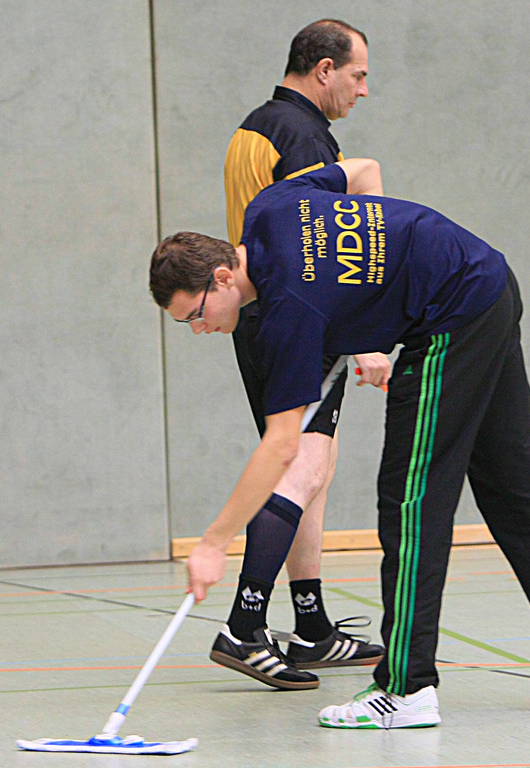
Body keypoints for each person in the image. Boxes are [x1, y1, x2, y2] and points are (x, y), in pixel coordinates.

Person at [148, 157, 530, 728]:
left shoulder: (288, 313)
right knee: (514, 478)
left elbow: (281, 446)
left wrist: (213, 543)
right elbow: (360, 171)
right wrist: (373, 283)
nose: (199, 328)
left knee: (410, 502)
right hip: (487, 279)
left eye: (195, 314)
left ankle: (405, 688)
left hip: (451, 315)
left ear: (223, 277)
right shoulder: (269, 207)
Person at [214, 18, 387, 691]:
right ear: (323, 69)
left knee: (315, 465)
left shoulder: (257, 125)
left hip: (263, 319)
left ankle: (310, 624)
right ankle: (244, 624)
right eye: (357, 75)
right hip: (293, 321)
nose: (362, 90)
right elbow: (331, 243)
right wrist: (365, 332)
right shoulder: (304, 137)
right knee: (303, 464)